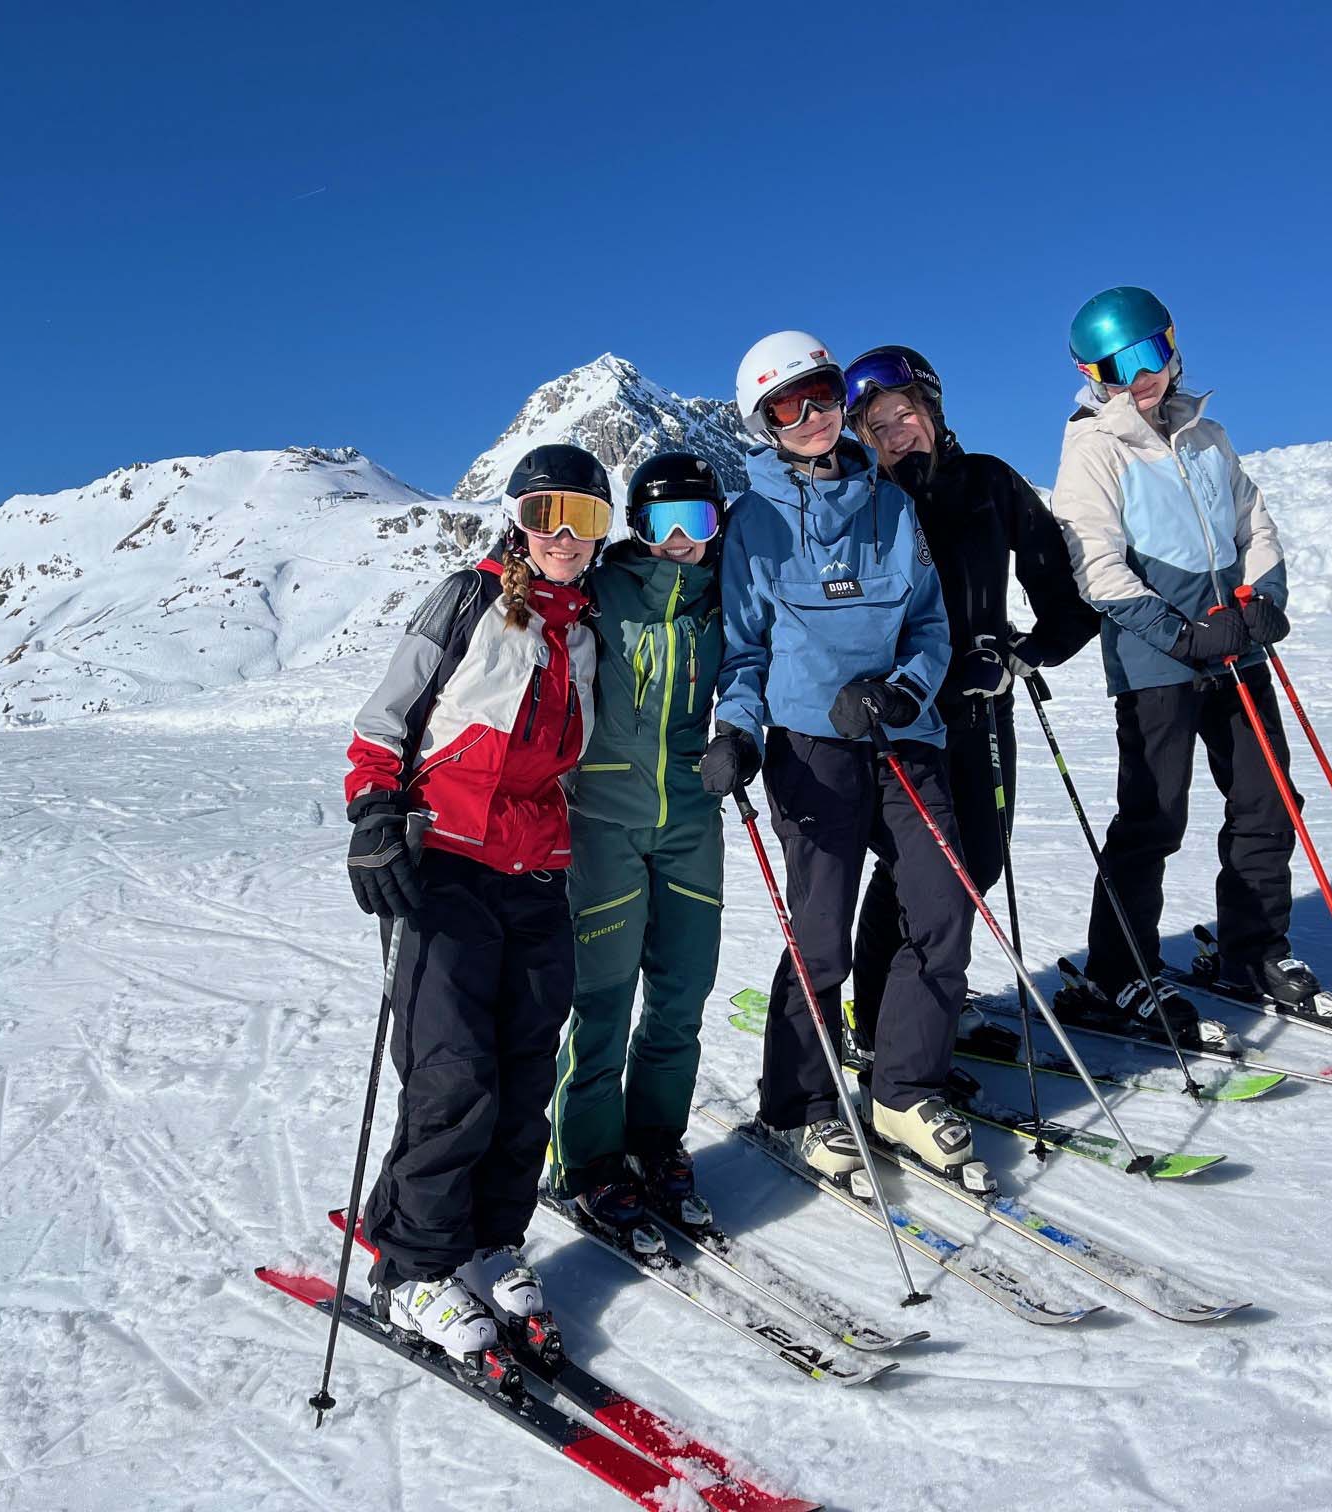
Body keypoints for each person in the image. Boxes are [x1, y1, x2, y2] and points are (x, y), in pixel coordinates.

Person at [343, 442, 609, 1360]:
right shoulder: (466, 600)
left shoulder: (587, 630)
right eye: (549, 516)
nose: (567, 537)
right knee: (454, 1073)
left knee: (527, 1069)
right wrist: (375, 813)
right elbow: (386, 720)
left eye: (589, 519)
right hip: (447, 864)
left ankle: (490, 1241)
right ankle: (413, 1268)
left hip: (539, 873)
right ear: (518, 520)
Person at [702, 329, 979, 1179]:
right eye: (788, 405)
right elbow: (744, 649)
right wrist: (738, 731)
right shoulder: (751, 521)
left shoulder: (891, 505)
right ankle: (801, 1105)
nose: (813, 415)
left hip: (903, 737)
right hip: (810, 749)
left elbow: (931, 626)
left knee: (940, 910)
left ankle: (902, 1092)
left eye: (822, 393)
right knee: (819, 932)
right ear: (764, 422)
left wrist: (903, 690)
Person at [1044, 286, 1314, 1041]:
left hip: (1236, 644)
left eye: (1150, 354)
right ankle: (1117, 970)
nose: (1141, 377)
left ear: (1171, 345)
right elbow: (1094, 565)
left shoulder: (1206, 435)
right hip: (1158, 661)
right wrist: (1179, 633)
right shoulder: (1094, 448)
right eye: (1117, 366)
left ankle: (1253, 948)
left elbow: (1253, 522)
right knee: (1155, 817)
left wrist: (1264, 596)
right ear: (1091, 375)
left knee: (1268, 799)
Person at [841, 345, 1101, 1065]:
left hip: (982, 709)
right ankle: (879, 1025)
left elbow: (1064, 591)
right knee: (910, 874)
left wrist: (1023, 654)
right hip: (902, 718)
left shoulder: (987, 483)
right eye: (877, 426)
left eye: (905, 415)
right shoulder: (865, 503)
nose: (896, 434)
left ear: (932, 410)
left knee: (976, 866)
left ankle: (924, 1005)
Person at [548, 452, 728, 1244]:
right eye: (662, 522)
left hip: (693, 820)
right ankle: (586, 1161)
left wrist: (743, 738)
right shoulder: (598, 590)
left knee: (681, 997)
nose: (681, 539)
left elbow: (754, 670)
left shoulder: (730, 593)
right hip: (605, 820)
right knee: (603, 998)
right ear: (636, 527)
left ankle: (654, 1142)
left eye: (699, 520)